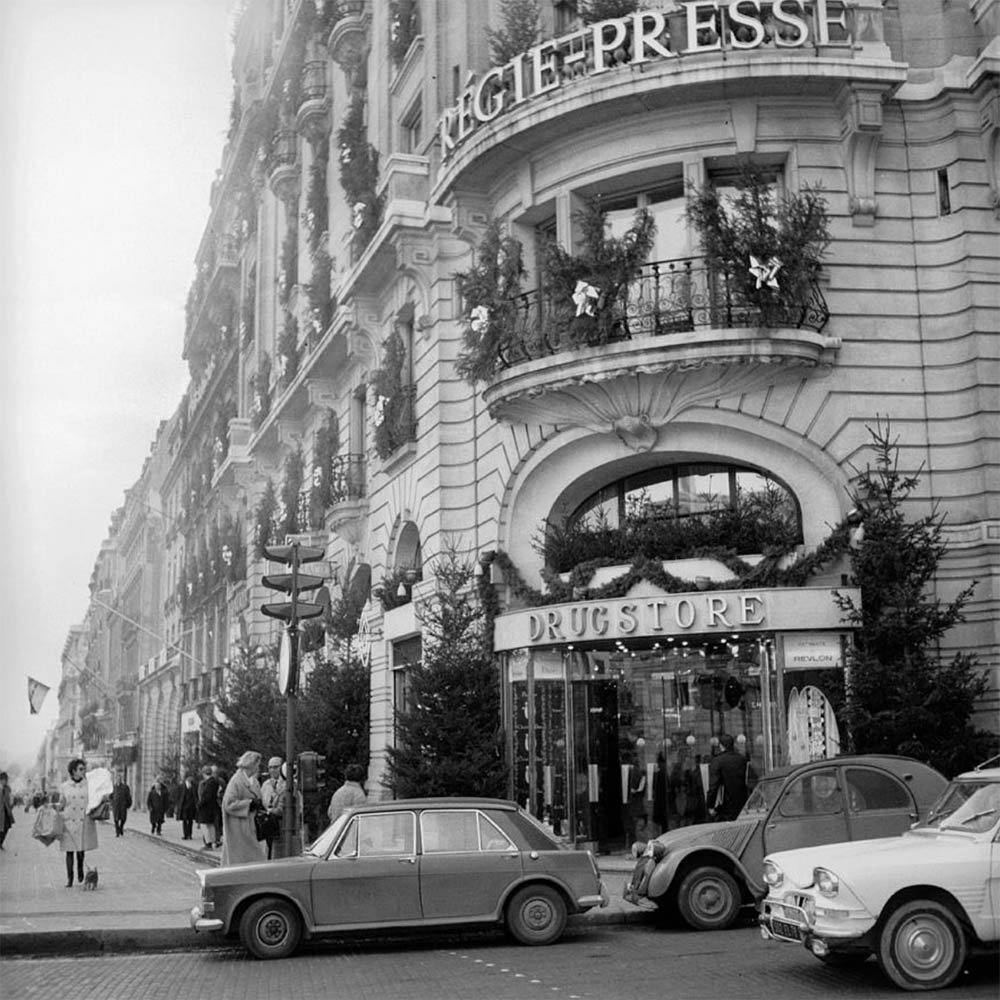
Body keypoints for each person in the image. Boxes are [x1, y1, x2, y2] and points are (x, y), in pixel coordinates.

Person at [55, 758, 101, 888]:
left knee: (80, 850)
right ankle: (70, 878)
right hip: (69, 821)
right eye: (80, 769)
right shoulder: (64, 786)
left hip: (83, 820)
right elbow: (62, 803)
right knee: (69, 851)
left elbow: (95, 800)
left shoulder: (89, 785)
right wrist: (53, 809)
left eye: (84, 769)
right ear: (73, 771)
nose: (83, 771)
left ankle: (80, 869)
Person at [220, 751, 264, 866]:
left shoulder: (253, 781)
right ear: (251, 764)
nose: (258, 767)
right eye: (257, 764)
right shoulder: (236, 781)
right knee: (242, 858)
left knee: (254, 856)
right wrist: (249, 804)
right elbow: (228, 803)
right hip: (238, 827)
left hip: (250, 825)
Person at [706, 733, 756, 822]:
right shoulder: (742, 759)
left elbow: (714, 786)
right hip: (743, 802)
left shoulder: (717, 761)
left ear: (721, 746)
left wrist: (710, 805)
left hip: (726, 804)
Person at [259, 757, 286, 860]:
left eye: (275, 767)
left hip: (282, 826)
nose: (272, 770)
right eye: (270, 767)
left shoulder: (288, 784)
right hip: (269, 826)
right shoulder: (265, 785)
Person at [196, 765, 220, 850]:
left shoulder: (209, 783)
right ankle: (213, 843)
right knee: (210, 825)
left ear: (204, 773)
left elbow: (207, 796)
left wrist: (200, 803)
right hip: (212, 807)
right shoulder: (214, 782)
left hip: (207, 807)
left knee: (205, 825)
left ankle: (209, 843)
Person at [110, 772, 132, 837]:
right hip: (116, 806)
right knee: (116, 819)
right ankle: (117, 831)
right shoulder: (113, 787)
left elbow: (128, 796)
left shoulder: (125, 787)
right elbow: (110, 796)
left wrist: (128, 805)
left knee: (123, 818)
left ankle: (121, 827)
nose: (118, 780)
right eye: (117, 779)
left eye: (119, 779)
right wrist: (112, 803)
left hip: (123, 805)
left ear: (121, 779)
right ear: (116, 779)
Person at [176, 775, 198, 840]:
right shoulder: (181, 786)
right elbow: (178, 796)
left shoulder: (194, 787)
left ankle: (190, 834)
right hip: (184, 806)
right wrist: (178, 805)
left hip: (191, 806)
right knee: (185, 820)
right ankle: (185, 834)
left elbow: (195, 796)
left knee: (190, 821)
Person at [0, 771, 14, 849]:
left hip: (6, 811)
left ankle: (1, 842)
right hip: (1, 811)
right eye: (4, 780)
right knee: (1, 828)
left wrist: (11, 805)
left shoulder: (7, 788)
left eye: (6, 780)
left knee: (6, 827)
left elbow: (10, 799)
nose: (5, 781)